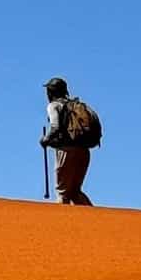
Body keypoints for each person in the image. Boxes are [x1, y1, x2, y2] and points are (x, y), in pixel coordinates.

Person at [39, 76, 100, 206]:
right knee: (75, 192)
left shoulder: (54, 106)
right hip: (84, 151)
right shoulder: (75, 105)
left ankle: (61, 223)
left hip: (66, 151)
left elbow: (55, 127)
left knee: (62, 193)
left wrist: (45, 140)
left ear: (51, 92)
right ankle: (96, 220)